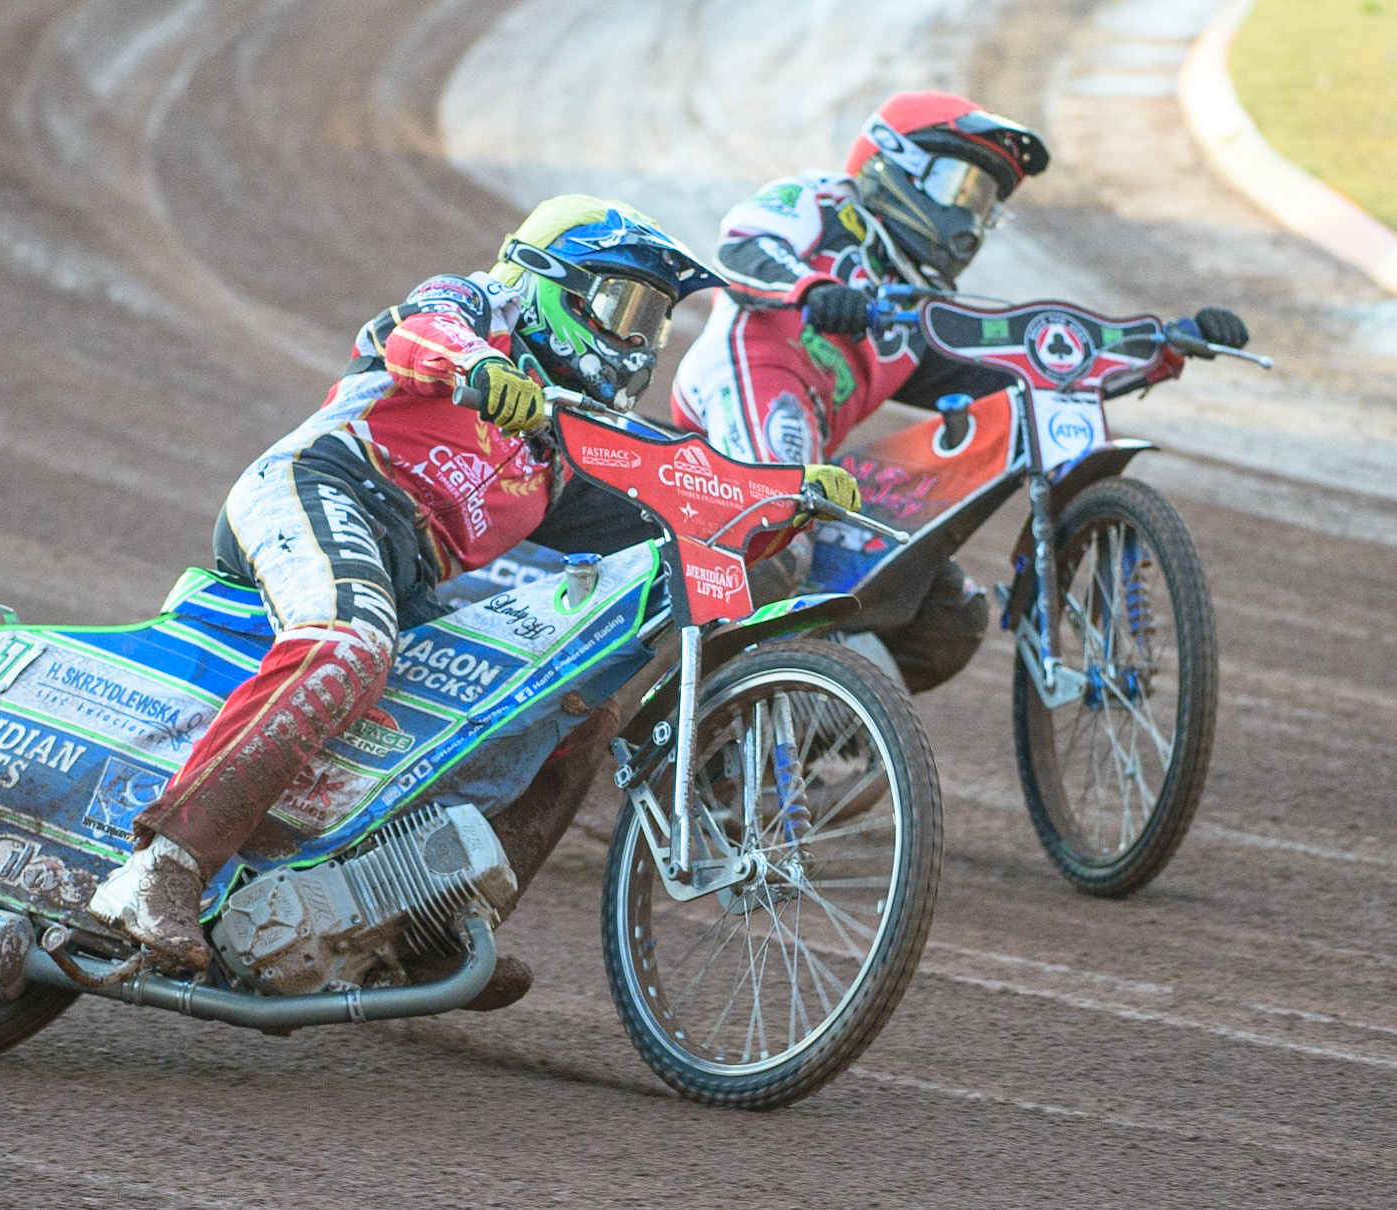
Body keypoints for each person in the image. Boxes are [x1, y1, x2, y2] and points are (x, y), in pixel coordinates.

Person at [89, 195, 860, 972]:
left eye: (652, 320)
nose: (635, 339)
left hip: (411, 574)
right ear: (549, 284)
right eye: (622, 305)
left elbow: (675, 507)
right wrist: (480, 366)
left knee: (570, 713)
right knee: (349, 643)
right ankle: (162, 868)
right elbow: (420, 333)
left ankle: (438, 925)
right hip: (323, 487)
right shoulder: (476, 305)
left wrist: (787, 500)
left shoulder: (559, 451)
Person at [670, 90, 1250, 691]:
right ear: (891, 164)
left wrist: (1165, 349)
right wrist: (814, 290)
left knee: (949, 620)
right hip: (745, 380)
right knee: (781, 536)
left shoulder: (920, 312)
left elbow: (1028, 373)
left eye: (984, 201)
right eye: (959, 187)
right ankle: (664, 695)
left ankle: (752, 751)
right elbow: (739, 246)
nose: (969, 215)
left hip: (811, 449)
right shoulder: (822, 199)